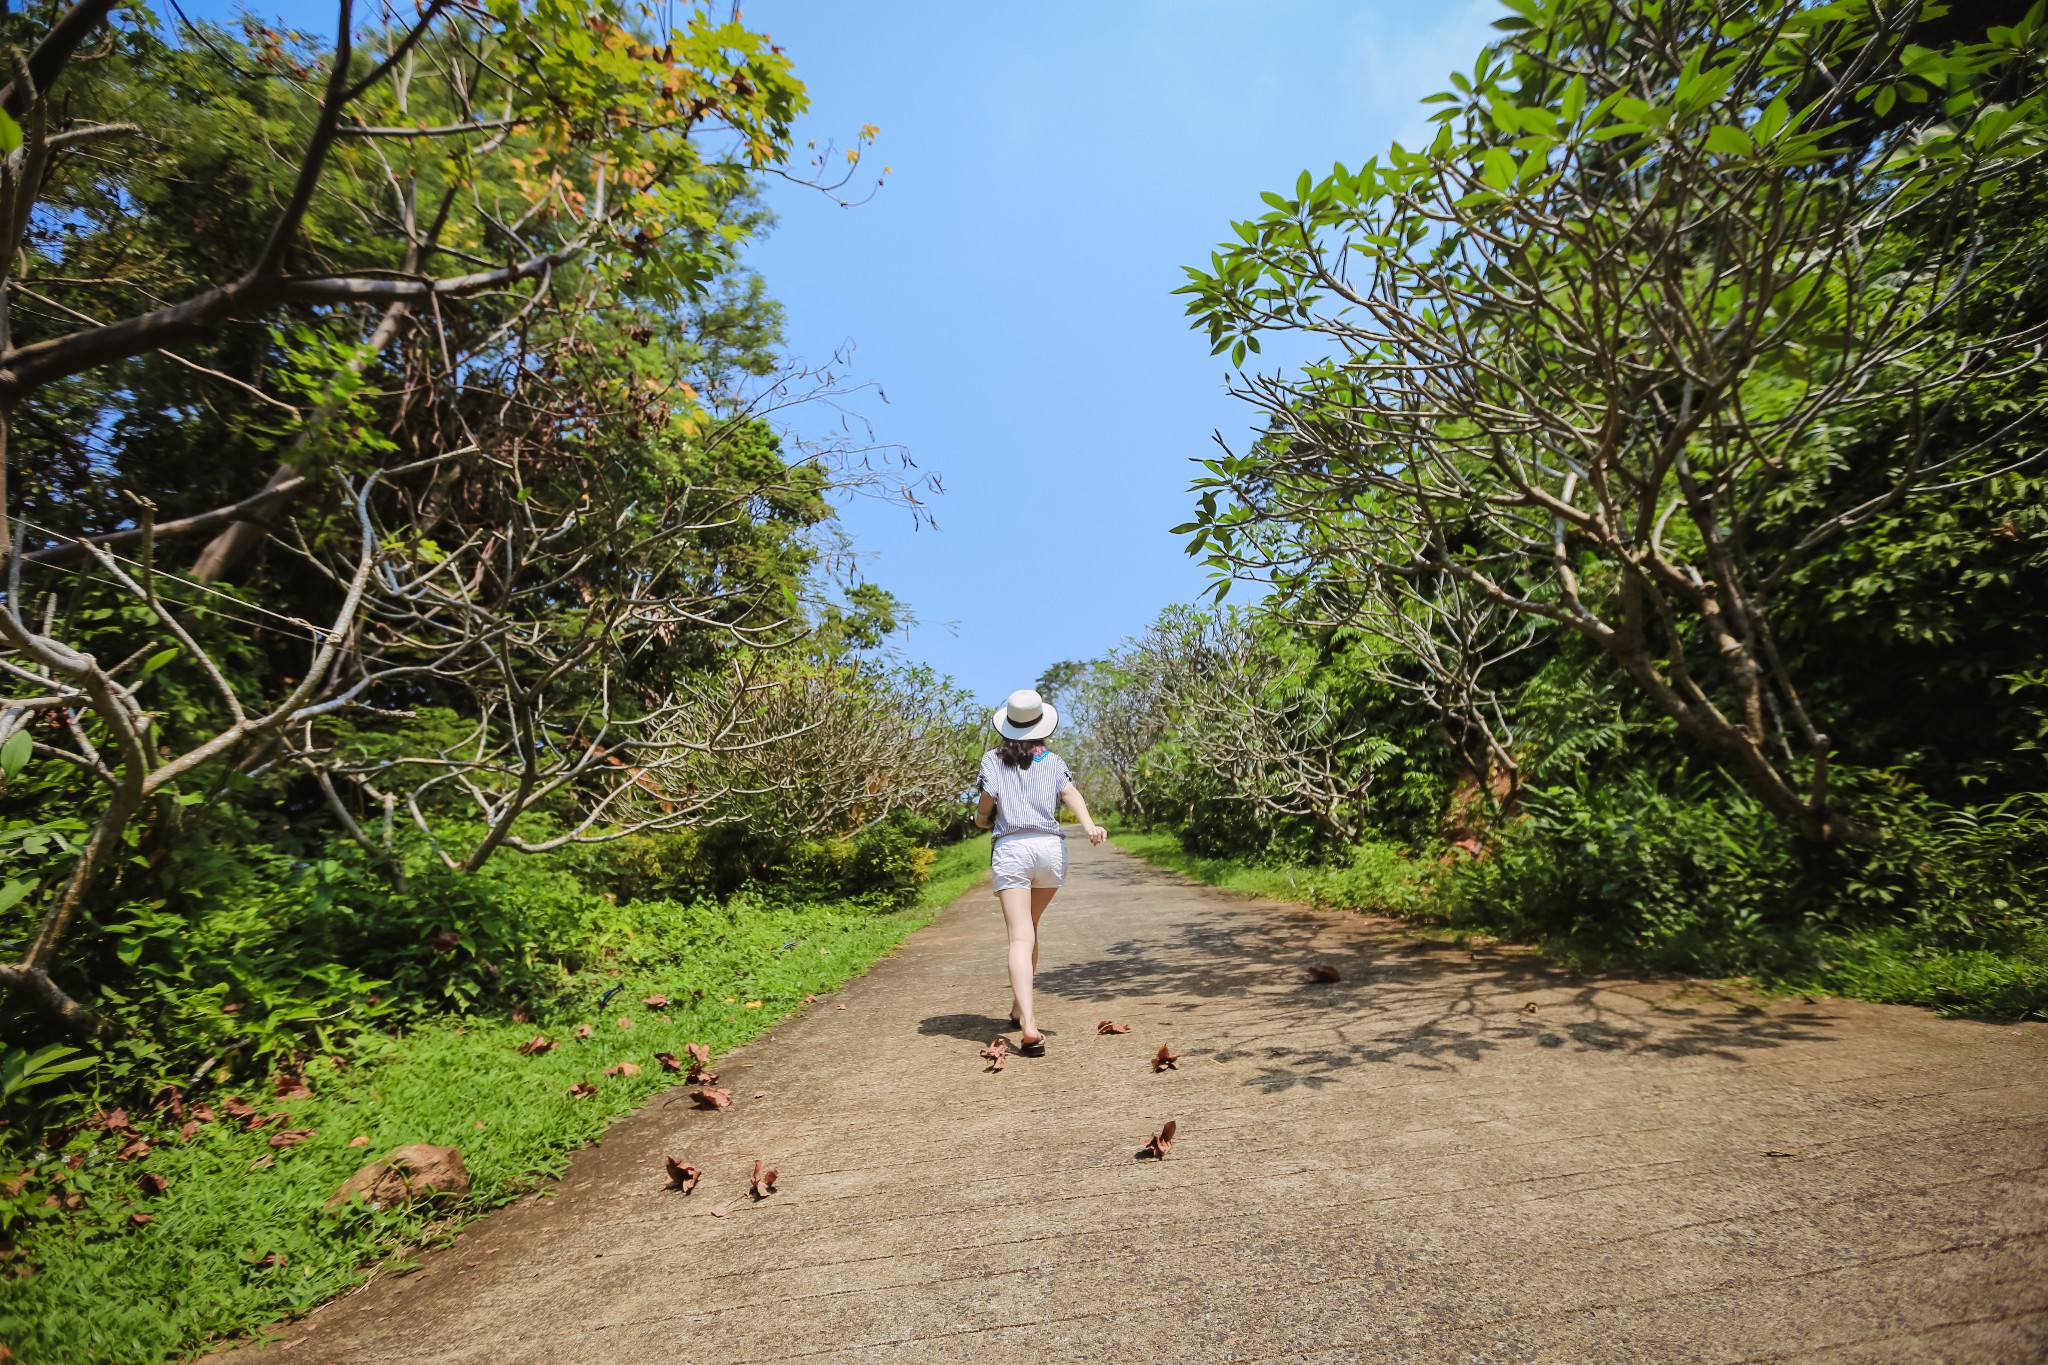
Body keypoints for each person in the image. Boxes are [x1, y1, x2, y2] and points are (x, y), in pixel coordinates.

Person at [974, 688, 1106, 1056]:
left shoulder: (992, 759)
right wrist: (1090, 826)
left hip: (1013, 848)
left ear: (1008, 726)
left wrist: (982, 818)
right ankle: (1019, 1009)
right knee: (1030, 930)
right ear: (1040, 724)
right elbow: (1071, 794)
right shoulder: (1051, 759)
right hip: (1049, 850)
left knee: (1019, 937)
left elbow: (988, 801)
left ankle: (1029, 1027)